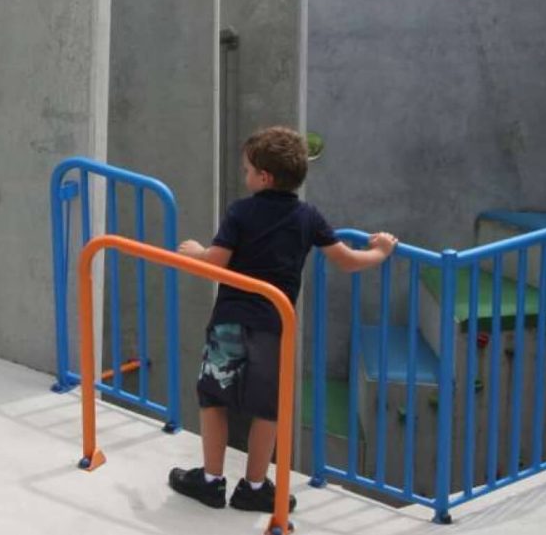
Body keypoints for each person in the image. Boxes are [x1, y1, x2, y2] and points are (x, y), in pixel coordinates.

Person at [168, 126, 398, 512]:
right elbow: (347, 261)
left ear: (264, 176)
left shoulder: (240, 212)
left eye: (246, 170)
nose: (244, 176)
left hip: (231, 322)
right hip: (276, 325)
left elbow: (215, 265)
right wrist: (382, 251)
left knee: (213, 399)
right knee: (266, 408)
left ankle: (211, 480)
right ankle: (255, 486)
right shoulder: (308, 217)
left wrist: (193, 252)